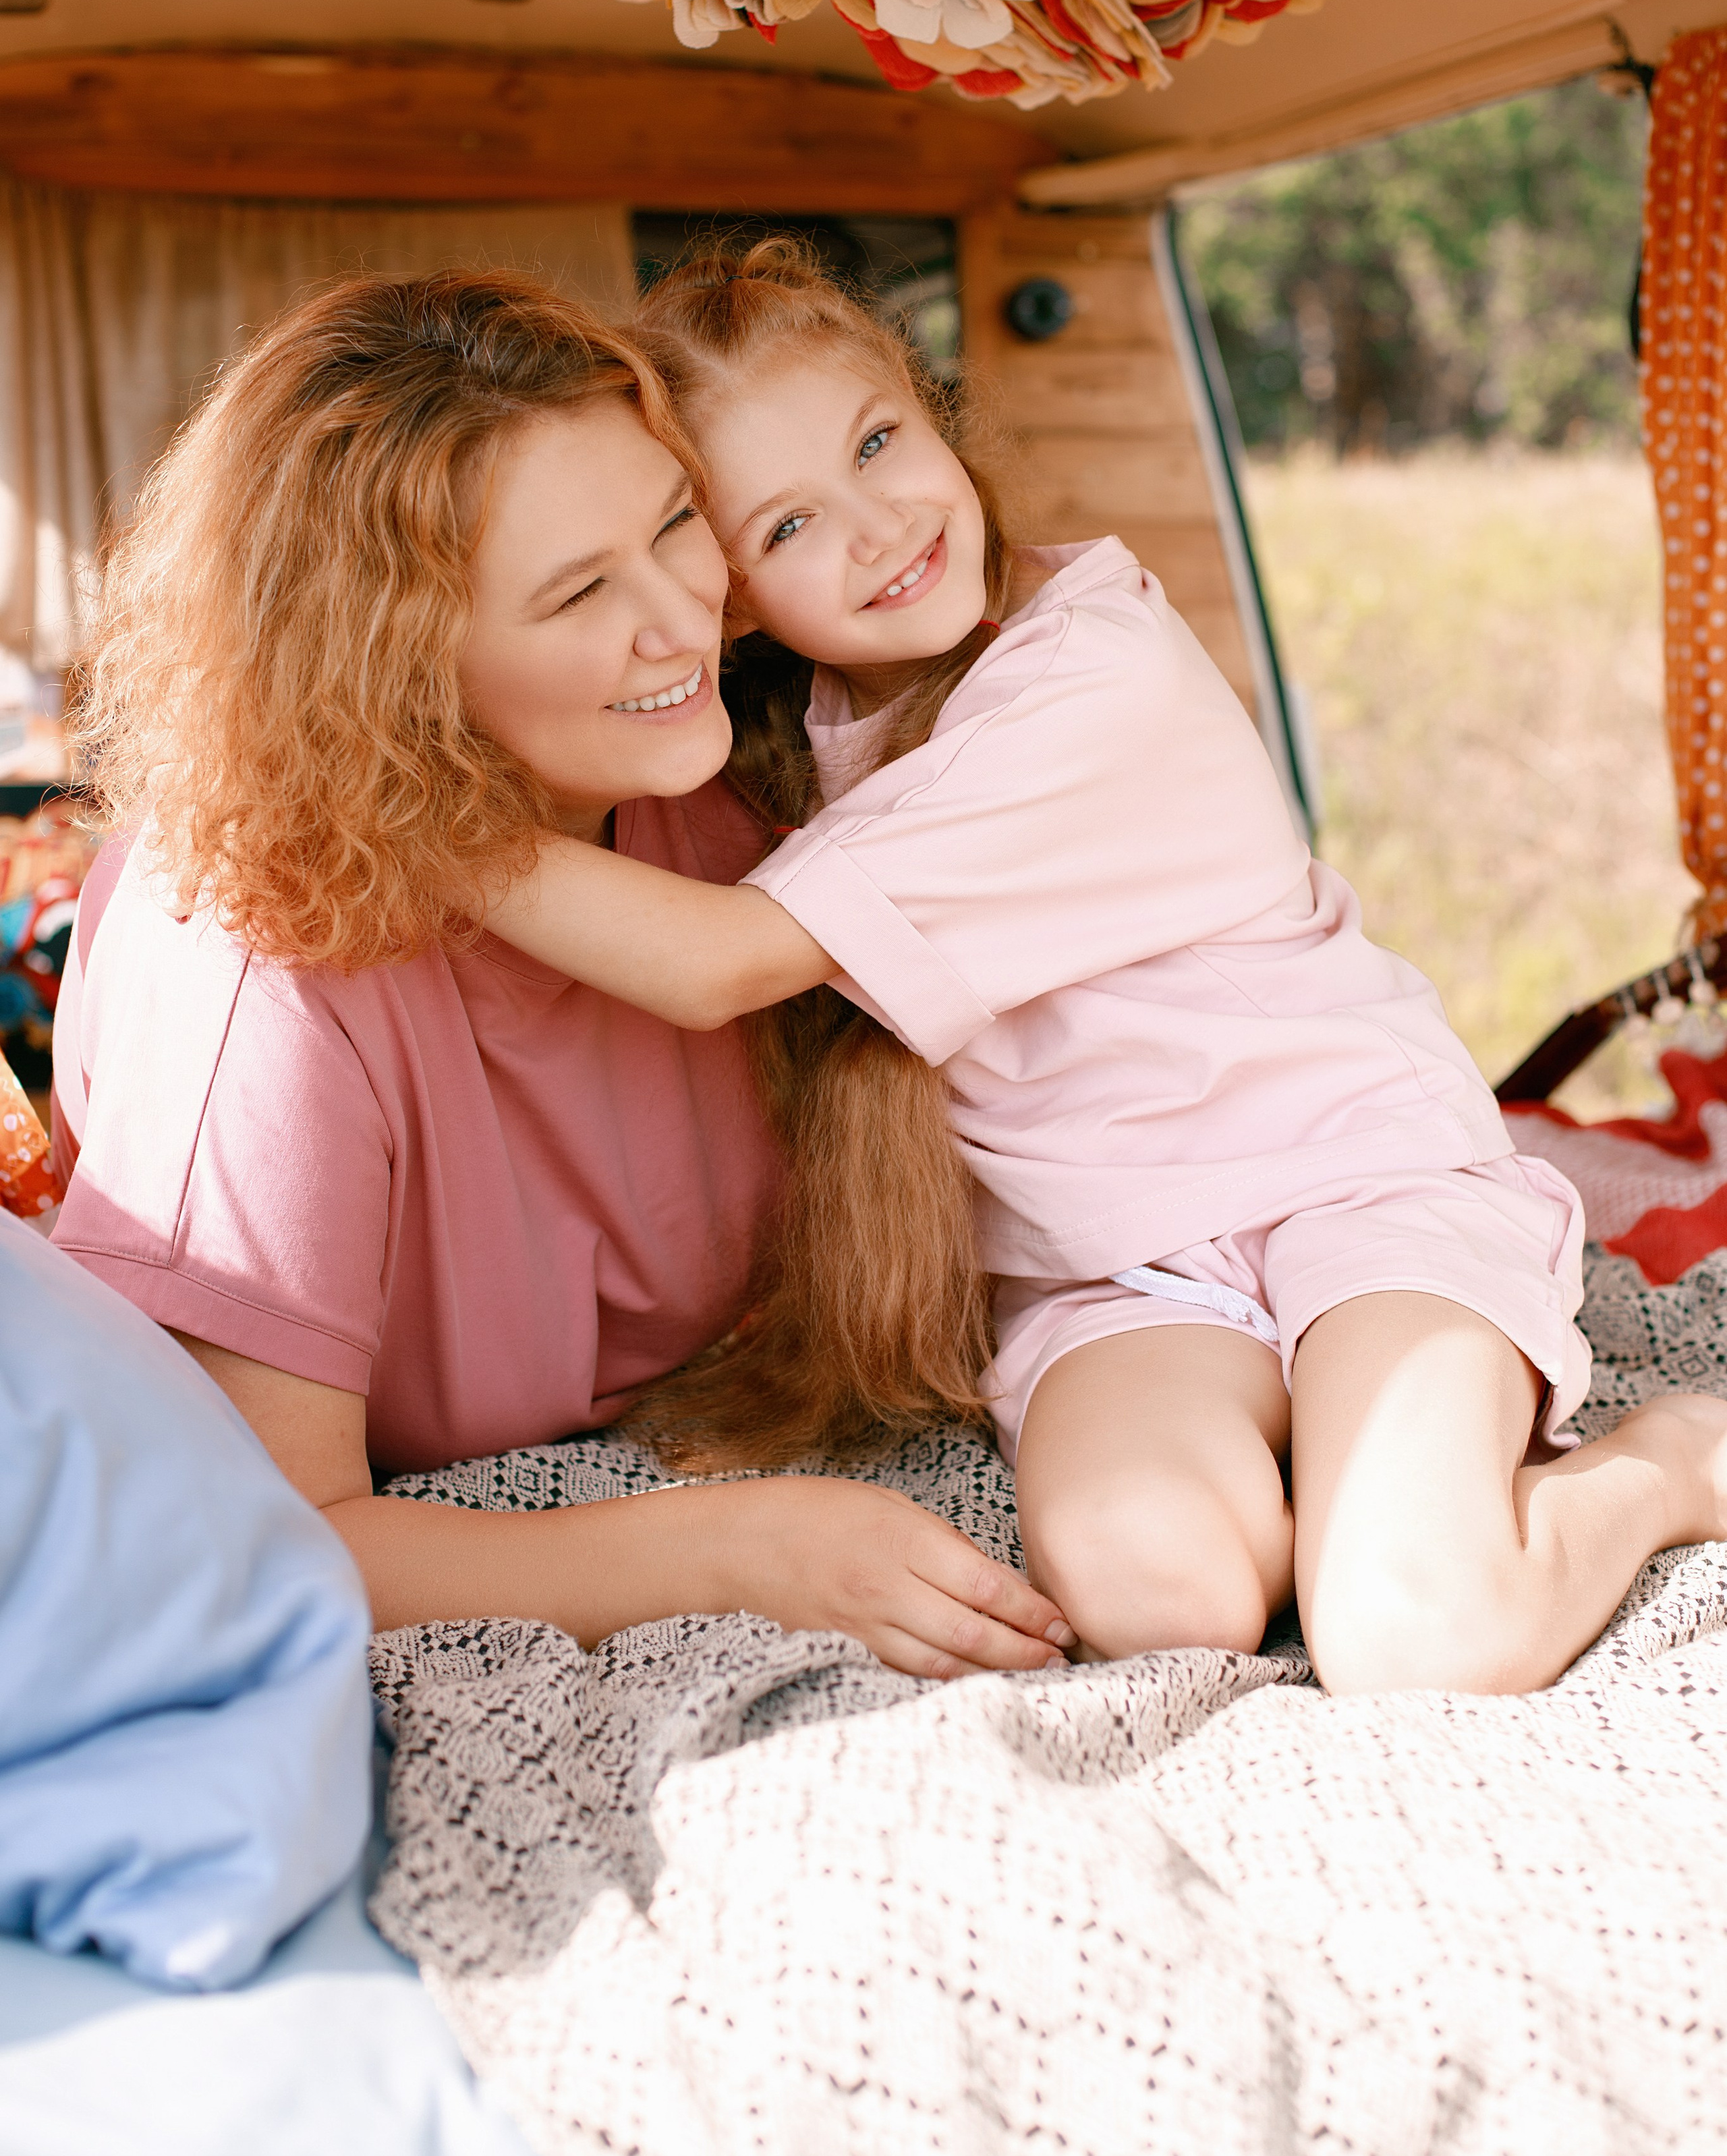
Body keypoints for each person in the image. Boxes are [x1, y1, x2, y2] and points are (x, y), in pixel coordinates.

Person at [486, 241, 1727, 1696]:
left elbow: (713, 964)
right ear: (734, 595)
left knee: (1418, 1636)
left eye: (877, 441)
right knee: (1160, 1596)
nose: (880, 527)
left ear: (932, 407)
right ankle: (1333, 1461)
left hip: (1349, 1181)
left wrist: (394, 821)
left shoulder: (1094, 675)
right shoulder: (804, 740)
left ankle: (1665, 1464)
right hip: (1113, 1267)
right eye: (791, 522)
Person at [51, 271, 1073, 1684]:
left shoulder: (750, 769)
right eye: (581, 592)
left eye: (675, 524)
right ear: (396, 670)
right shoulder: (244, 965)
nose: (684, 622)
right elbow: (250, 1540)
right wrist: (740, 1553)